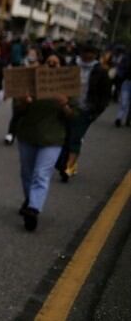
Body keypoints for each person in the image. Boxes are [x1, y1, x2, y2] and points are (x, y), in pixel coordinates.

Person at [14, 54, 73, 231]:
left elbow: (75, 116)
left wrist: (64, 105)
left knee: (41, 174)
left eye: (56, 63)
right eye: (49, 62)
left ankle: (33, 209)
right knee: (27, 173)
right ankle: (30, 199)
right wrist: (24, 102)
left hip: (52, 139)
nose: (52, 65)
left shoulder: (68, 85)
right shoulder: (30, 82)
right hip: (28, 135)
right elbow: (18, 110)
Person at [57, 43, 111, 182]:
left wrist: (95, 112)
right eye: (85, 52)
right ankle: (64, 163)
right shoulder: (72, 65)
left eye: (90, 53)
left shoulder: (100, 71)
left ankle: (68, 169)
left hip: (85, 110)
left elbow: (105, 95)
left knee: (75, 139)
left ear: (95, 54)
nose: (87, 56)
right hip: (67, 106)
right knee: (65, 137)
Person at [113, 46, 130, 128]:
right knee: (124, 101)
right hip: (126, 82)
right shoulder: (126, 57)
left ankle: (128, 119)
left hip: (126, 82)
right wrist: (121, 77)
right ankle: (119, 118)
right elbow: (120, 68)